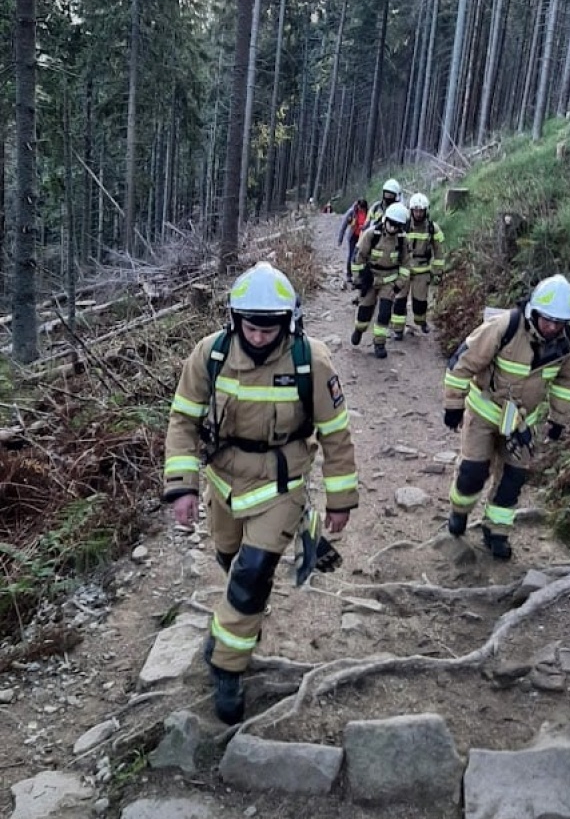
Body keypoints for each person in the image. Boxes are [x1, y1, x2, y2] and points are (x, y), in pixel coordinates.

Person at [162, 261, 359, 723]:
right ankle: (236, 623)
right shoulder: (209, 355)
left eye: (269, 327)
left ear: (287, 321)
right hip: (223, 482)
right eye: (251, 325)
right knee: (232, 563)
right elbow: (182, 421)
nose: (258, 335)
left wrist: (341, 500)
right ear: (235, 319)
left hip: (281, 484)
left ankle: (226, 666)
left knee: (252, 575)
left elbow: (336, 434)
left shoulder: (312, 360)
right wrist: (182, 488)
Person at [442, 274, 570, 559]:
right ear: (535, 312)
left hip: (522, 423)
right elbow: (463, 361)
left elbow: (567, 382)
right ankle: (459, 511)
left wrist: (558, 419)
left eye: (559, 322)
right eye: (547, 320)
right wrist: (453, 404)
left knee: (513, 479)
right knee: (472, 473)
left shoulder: (567, 342)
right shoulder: (505, 327)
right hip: (485, 412)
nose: (552, 327)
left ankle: (497, 532)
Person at [350, 201, 410, 359]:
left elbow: (405, 265)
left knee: (384, 313)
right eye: (391, 223)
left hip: (389, 281)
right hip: (370, 279)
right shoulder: (371, 234)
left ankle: (379, 343)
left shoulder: (403, 241)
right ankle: (359, 329)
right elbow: (359, 257)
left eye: (397, 225)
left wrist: (399, 284)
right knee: (364, 312)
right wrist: (358, 279)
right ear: (386, 220)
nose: (393, 228)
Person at [391, 192, 445, 338]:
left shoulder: (433, 229)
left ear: (426, 211)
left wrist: (437, 272)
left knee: (420, 303)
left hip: (422, 271)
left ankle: (421, 322)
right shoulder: (404, 226)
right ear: (411, 210)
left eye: (421, 210)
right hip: (404, 270)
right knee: (399, 300)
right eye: (416, 210)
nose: (418, 213)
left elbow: (439, 252)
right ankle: (397, 329)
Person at [338, 198, 369, 285]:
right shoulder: (352, 212)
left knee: (362, 256)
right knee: (352, 255)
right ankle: (349, 275)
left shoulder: (368, 213)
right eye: (360, 208)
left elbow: (370, 223)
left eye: (363, 209)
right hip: (353, 236)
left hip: (363, 237)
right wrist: (340, 239)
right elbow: (344, 225)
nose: (362, 210)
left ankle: (360, 275)